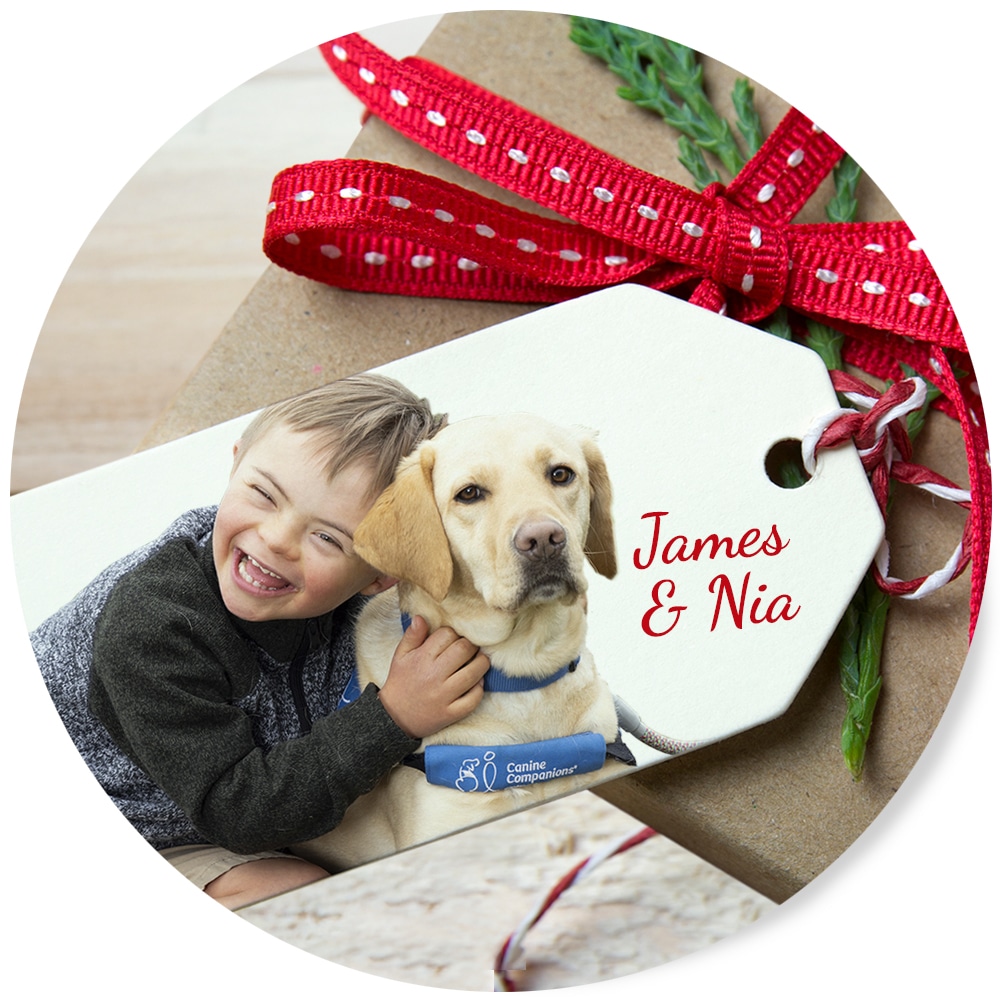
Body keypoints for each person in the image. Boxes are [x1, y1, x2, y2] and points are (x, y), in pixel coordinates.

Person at [31, 374, 490, 909]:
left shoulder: (359, 605)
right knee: (295, 898)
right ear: (235, 462)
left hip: (203, 807)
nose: (275, 538)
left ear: (381, 575)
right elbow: (241, 810)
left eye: (326, 538)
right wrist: (394, 717)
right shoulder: (154, 628)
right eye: (264, 494)